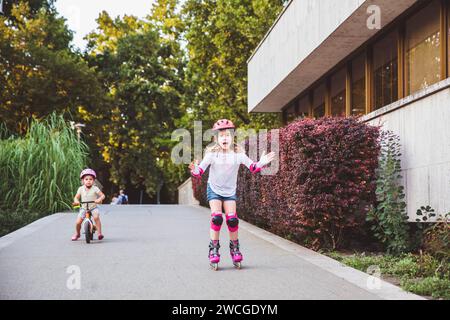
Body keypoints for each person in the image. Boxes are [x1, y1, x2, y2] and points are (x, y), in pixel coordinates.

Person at [189, 119, 276, 269]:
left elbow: (253, 167)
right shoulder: (212, 154)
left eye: (228, 135)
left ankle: (235, 248)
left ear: (232, 137)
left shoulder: (239, 155)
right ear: (216, 139)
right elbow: (200, 172)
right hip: (214, 189)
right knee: (217, 218)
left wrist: (261, 162)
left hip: (229, 192)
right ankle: (214, 249)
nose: (225, 138)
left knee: (232, 220)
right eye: (221, 136)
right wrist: (195, 168)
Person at [72, 169, 106, 241]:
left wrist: (99, 199)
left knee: (96, 217)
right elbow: (76, 197)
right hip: (84, 208)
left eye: (90, 179)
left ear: (93, 181)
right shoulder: (80, 189)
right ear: (83, 181)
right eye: (86, 179)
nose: (88, 181)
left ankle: (99, 233)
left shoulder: (95, 188)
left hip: (93, 207)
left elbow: (103, 195)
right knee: (78, 222)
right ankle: (77, 234)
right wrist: (76, 201)